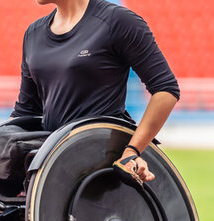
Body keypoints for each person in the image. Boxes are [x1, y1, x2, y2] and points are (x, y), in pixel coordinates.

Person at [10, 0, 179, 183]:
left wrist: (132, 151)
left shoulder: (117, 21)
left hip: (101, 164)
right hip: (51, 162)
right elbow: (25, 111)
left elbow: (165, 89)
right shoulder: (33, 34)